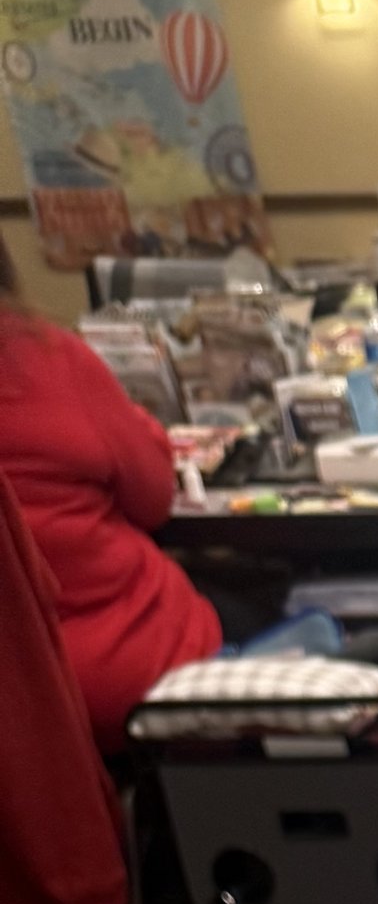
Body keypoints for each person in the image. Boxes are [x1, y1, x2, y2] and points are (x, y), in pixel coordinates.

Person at [0, 233, 218, 751]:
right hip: (121, 666)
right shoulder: (48, 356)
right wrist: (141, 425)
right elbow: (153, 499)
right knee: (262, 593)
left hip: (23, 711)